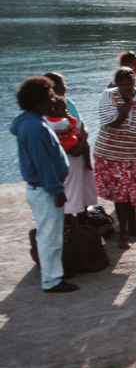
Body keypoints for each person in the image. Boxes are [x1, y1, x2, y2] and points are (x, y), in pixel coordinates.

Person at [11, 76, 75, 293]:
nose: (53, 100)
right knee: (50, 237)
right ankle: (52, 280)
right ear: (38, 102)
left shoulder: (28, 122)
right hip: (45, 189)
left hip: (40, 188)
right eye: (49, 97)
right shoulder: (36, 128)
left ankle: (53, 273)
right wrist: (57, 190)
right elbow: (45, 163)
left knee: (48, 234)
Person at [94, 66, 136, 249]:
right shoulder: (108, 96)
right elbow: (111, 123)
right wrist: (126, 106)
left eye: (129, 84)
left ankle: (133, 228)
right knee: (121, 196)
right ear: (116, 84)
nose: (126, 88)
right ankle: (123, 233)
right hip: (112, 156)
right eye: (122, 85)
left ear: (134, 83)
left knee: (132, 195)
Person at [43, 72, 97, 218]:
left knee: (83, 188)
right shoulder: (50, 109)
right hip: (67, 155)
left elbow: (81, 123)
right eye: (62, 84)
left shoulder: (68, 103)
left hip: (78, 148)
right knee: (69, 190)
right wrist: (75, 145)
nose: (65, 86)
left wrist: (83, 138)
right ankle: (70, 224)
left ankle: (83, 217)